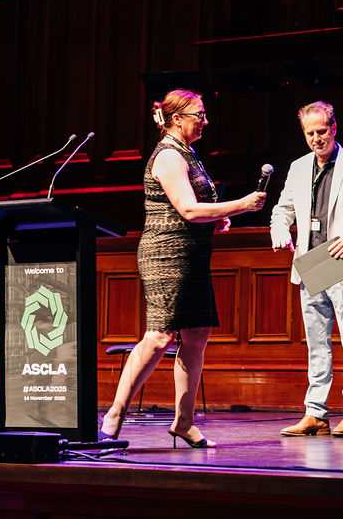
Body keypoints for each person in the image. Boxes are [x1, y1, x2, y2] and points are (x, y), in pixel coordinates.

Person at [99, 89, 266, 448]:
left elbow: (193, 206)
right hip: (167, 257)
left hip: (192, 256)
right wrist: (241, 205)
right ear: (177, 119)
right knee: (160, 336)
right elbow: (187, 210)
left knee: (197, 333)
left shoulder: (187, 152)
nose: (205, 121)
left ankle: (184, 422)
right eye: (199, 115)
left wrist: (216, 217)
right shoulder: (169, 156)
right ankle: (114, 415)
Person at [271, 101, 343, 437]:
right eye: (309, 133)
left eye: (321, 131)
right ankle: (315, 412)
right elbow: (282, 209)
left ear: (334, 128)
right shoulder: (299, 167)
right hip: (312, 262)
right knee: (317, 342)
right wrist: (280, 229)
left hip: (341, 261)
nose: (316, 138)